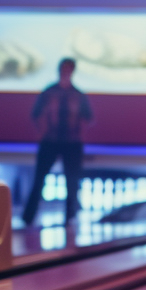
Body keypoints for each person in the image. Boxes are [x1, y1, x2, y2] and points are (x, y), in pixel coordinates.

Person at [21, 58, 93, 227]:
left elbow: (88, 118)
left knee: (72, 182)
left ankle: (70, 218)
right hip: (49, 141)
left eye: (69, 69)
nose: (66, 72)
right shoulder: (48, 92)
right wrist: (43, 133)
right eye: (64, 69)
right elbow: (36, 114)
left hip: (72, 143)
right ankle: (28, 217)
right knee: (39, 180)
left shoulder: (78, 94)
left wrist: (80, 135)